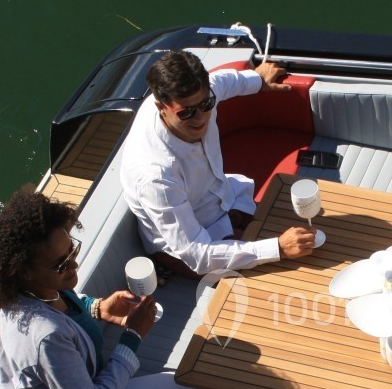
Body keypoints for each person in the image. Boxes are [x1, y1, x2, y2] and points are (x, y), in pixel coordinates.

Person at [0, 186, 276, 389]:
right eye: (61, 264)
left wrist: (98, 308)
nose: (73, 264)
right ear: (23, 271)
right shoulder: (43, 336)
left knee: (226, 386)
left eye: (72, 249)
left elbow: (67, 312)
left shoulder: (38, 288)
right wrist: (133, 337)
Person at [121, 49, 316, 277]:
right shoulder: (157, 177)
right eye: (187, 113)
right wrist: (279, 248)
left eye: (206, 105)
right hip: (189, 249)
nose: (200, 117)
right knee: (286, 273)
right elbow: (196, 254)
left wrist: (256, 79)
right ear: (161, 107)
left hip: (225, 198)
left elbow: (221, 82)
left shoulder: (201, 97)